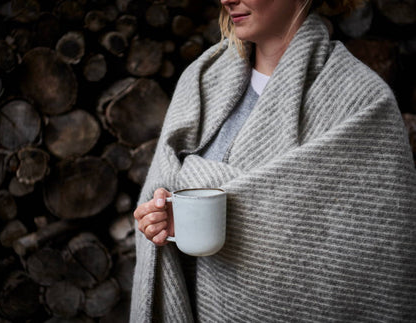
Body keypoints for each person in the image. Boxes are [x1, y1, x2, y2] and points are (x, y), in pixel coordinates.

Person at [131, 0, 416, 321]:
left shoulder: (363, 102)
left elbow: (376, 264)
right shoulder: (200, 80)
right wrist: (158, 220)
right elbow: (160, 196)